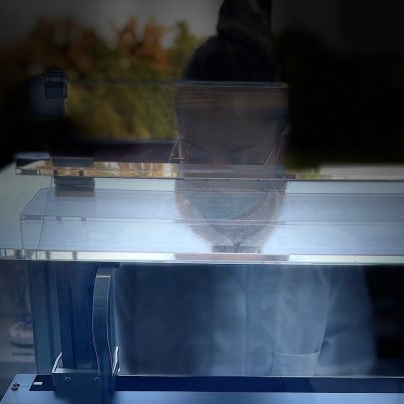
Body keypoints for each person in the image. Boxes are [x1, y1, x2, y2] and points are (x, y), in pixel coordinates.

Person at [113, 0, 375, 376]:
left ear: (280, 150)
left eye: (240, 158)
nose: (218, 178)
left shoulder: (327, 254)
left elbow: (349, 381)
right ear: (180, 142)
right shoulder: (137, 254)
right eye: (198, 156)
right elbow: (124, 377)